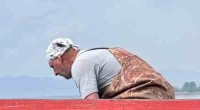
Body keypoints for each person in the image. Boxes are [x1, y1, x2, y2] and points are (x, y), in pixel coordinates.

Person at [46, 38, 175, 100]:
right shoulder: (98, 54)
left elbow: (93, 108)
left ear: (59, 59)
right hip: (164, 94)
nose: (55, 73)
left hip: (145, 99)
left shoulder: (80, 63)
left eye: (53, 67)